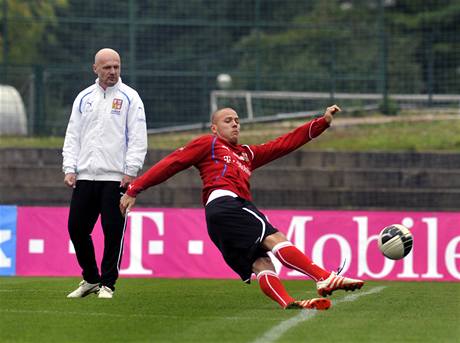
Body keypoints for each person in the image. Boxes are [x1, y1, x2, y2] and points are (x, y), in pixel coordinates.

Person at [120, 105, 363, 310]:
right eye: (228, 121)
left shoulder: (247, 154)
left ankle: (289, 303)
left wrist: (321, 123)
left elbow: (284, 144)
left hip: (221, 217)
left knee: (261, 263)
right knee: (275, 238)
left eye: (237, 120)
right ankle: (324, 277)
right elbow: (173, 162)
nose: (235, 124)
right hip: (227, 204)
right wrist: (135, 188)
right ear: (214, 128)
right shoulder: (209, 143)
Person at [63, 48, 148, 299]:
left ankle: (108, 284)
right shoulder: (83, 98)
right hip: (86, 176)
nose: (113, 72)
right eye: (107, 67)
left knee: (113, 231)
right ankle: (91, 278)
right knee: (76, 228)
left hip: (115, 177)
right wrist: (70, 167)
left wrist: (130, 170)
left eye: (116, 67)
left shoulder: (131, 98)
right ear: (95, 69)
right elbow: (73, 135)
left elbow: (138, 138)